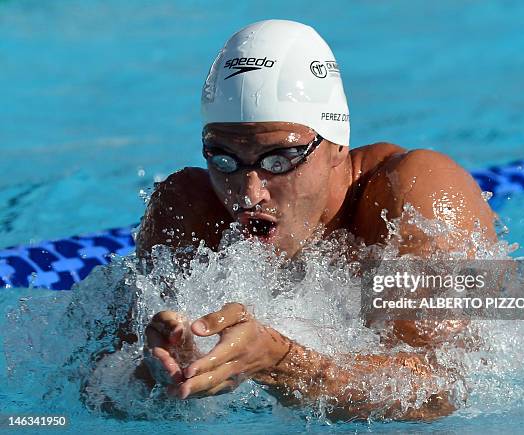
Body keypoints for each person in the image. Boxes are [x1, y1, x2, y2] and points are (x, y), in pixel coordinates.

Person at [135, 19, 497, 420]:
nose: (248, 193)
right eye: (223, 158)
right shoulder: (190, 208)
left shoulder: (410, 197)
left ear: (337, 143)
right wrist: (157, 375)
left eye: (280, 159)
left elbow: (442, 389)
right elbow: (90, 383)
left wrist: (280, 362)